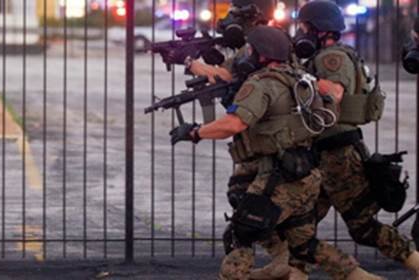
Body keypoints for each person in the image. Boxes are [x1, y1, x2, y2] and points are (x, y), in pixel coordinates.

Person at [170, 25, 379, 280]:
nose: (246, 55)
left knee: (241, 232)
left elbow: (234, 124)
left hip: (279, 178)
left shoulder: (262, 83)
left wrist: (195, 132)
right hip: (306, 174)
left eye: (250, 50)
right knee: (304, 245)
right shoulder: (302, 79)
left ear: (260, 54)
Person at [252, 1, 419, 279]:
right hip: (323, 151)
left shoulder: (333, 58)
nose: (300, 32)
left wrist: (294, 75)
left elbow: (335, 92)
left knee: (361, 225)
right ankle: (293, 271)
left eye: (304, 27)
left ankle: (414, 262)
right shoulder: (323, 56)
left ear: (319, 29)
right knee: (301, 221)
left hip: (339, 152)